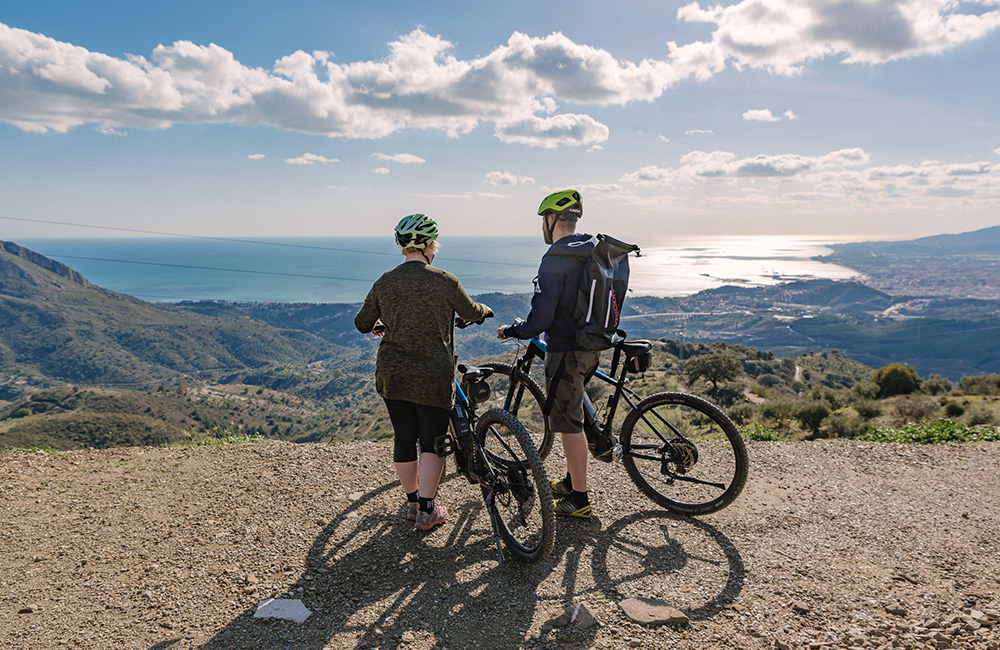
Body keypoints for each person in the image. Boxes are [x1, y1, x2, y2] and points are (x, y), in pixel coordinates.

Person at [355, 214, 491, 531]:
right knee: (432, 441)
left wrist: (382, 324)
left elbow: (362, 323)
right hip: (433, 373)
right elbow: (471, 311)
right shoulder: (445, 280)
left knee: (405, 437)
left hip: (394, 372)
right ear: (431, 245)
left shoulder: (385, 281)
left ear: (402, 246)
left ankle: (413, 502)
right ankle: (428, 510)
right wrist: (486, 309)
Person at [497, 189, 609, 519]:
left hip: (565, 349)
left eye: (542, 221)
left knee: (568, 423)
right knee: (576, 407)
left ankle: (579, 499)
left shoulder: (555, 259)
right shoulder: (591, 249)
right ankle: (573, 479)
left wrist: (514, 329)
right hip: (592, 345)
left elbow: (540, 319)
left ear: (551, 220)